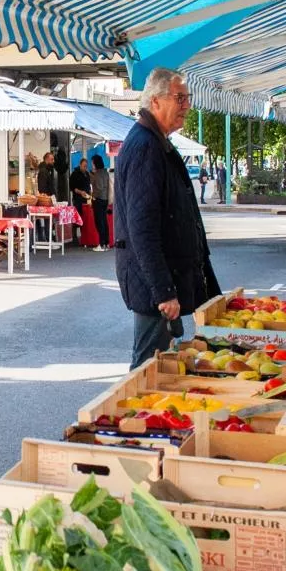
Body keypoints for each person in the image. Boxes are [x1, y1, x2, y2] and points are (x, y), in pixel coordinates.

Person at [114, 68, 221, 369]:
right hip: (153, 286)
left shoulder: (156, 142)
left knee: (161, 364)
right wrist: (163, 291)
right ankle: (130, 417)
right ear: (156, 101)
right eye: (180, 98)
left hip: (163, 280)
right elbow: (142, 228)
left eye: (188, 98)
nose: (187, 105)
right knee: (147, 366)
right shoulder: (145, 147)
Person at [71, 157, 99, 248]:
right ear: (80, 165)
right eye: (84, 166)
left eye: (86, 166)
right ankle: (74, 238)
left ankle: (84, 238)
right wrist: (81, 192)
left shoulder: (87, 174)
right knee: (77, 218)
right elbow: (73, 188)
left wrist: (90, 194)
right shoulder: (74, 174)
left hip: (86, 199)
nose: (85, 168)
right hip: (78, 199)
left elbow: (89, 186)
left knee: (85, 219)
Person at [90, 154, 112, 251]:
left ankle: (101, 244)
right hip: (105, 200)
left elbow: (99, 188)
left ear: (95, 163)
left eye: (92, 162)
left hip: (98, 200)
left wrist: (93, 197)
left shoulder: (98, 174)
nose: (92, 164)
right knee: (104, 221)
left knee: (99, 222)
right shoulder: (105, 172)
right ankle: (106, 243)